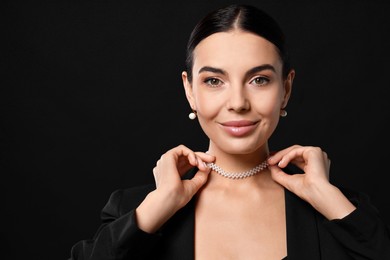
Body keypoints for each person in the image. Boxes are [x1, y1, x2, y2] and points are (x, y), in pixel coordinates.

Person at [68, 4, 390, 260]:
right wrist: (160, 204)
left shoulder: (338, 210)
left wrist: (330, 199)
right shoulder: (136, 209)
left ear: (286, 88)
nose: (237, 103)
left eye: (259, 79)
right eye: (213, 81)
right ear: (190, 90)